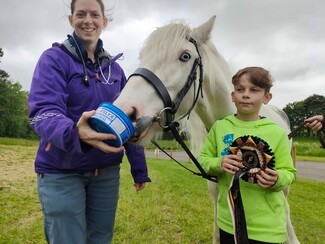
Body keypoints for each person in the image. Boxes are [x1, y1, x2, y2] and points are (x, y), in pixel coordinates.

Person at [28, 0, 151, 243]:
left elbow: (129, 120)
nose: (88, 20)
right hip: (62, 170)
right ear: (71, 20)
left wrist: (139, 169)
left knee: (100, 238)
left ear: (104, 22)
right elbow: (44, 111)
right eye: (81, 14)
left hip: (105, 173)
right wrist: (75, 132)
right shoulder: (54, 59)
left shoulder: (115, 70)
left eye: (94, 14)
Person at [198, 67, 296, 244]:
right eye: (240, 89)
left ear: (267, 97)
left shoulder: (278, 133)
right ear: (232, 95)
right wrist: (219, 163)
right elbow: (204, 159)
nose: (245, 95)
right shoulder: (220, 128)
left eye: (254, 90)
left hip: (268, 229)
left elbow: (289, 172)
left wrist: (277, 179)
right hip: (228, 223)